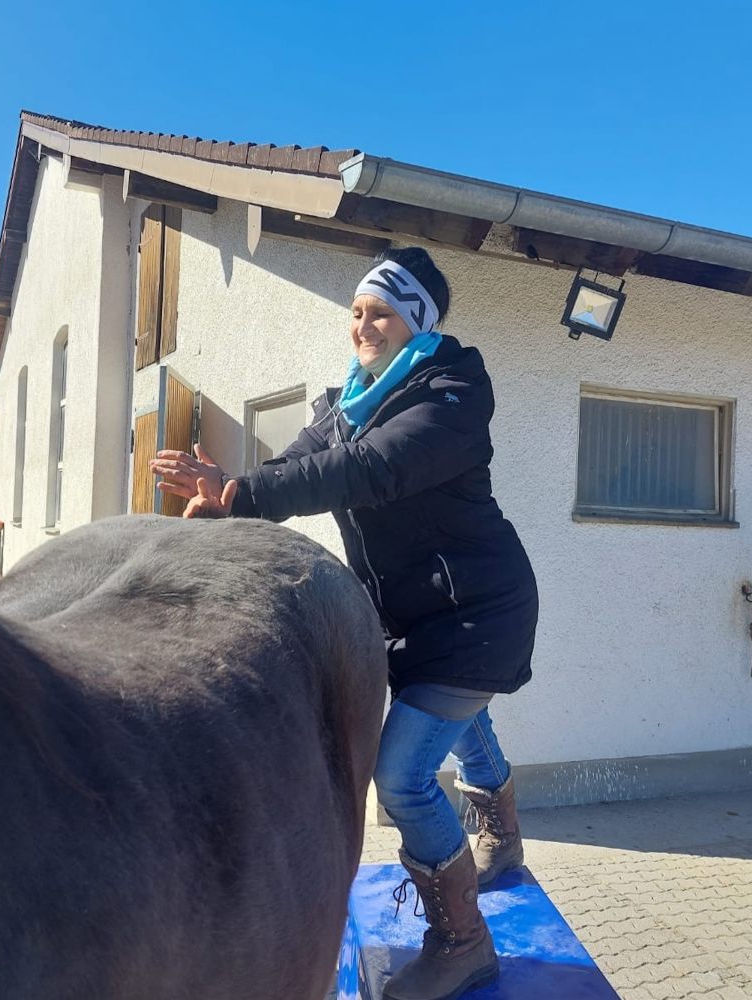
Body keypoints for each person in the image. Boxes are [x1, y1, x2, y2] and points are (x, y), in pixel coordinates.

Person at [150, 248, 539, 1000]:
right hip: (415, 617)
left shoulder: (452, 392)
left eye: (382, 312)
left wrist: (238, 490)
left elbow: (371, 470)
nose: (364, 325)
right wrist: (229, 500)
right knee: (459, 717)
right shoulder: (343, 403)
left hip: (478, 612)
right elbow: (296, 465)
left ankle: (463, 941)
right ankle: (503, 833)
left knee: (401, 775)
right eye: (357, 313)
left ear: (418, 321)